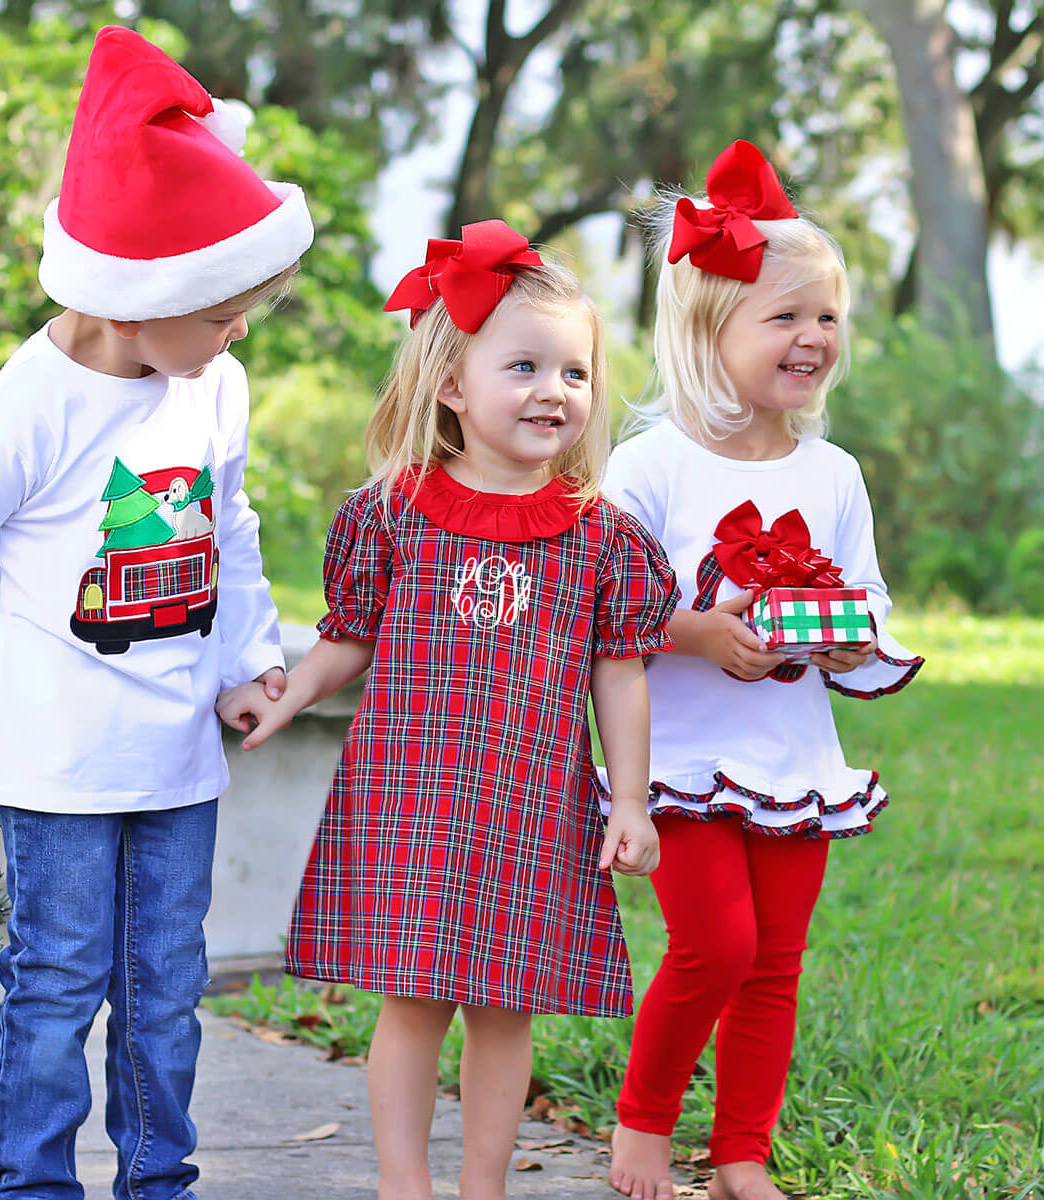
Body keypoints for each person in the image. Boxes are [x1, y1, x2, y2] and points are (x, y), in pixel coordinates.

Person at [0, 26, 313, 1200]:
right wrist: (32, 639)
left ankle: (157, 1180)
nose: (240, 335)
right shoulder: (17, 413)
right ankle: (34, 1186)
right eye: (226, 311)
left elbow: (229, 530)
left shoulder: (208, 384)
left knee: (166, 982)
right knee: (60, 977)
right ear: (137, 300)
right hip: (61, 763)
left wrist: (243, 661)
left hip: (178, 751)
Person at [216, 220, 678, 1200]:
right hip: (410, 802)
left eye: (575, 373)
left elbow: (622, 673)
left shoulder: (601, 541)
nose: (556, 389)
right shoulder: (394, 513)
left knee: (506, 1011)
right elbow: (350, 634)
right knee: (413, 1005)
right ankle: (403, 1186)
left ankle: (484, 1187)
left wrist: (629, 801)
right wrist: (289, 693)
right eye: (525, 366)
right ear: (454, 386)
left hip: (530, 804)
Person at [602, 140, 923, 1200]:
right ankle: (643, 1123)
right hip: (681, 757)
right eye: (784, 316)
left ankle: (742, 1148)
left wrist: (842, 639)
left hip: (793, 756)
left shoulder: (833, 472)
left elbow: (866, 598)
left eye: (826, 316)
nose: (813, 337)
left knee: (777, 958)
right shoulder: (648, 465)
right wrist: (698, 632)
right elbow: (604, 613)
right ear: (707, 330)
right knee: (716, 947)